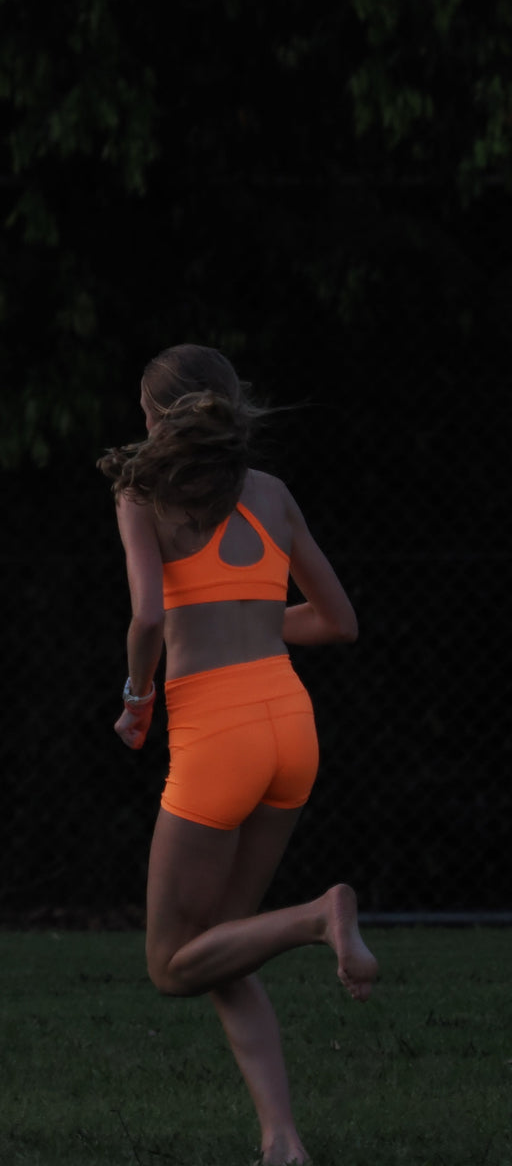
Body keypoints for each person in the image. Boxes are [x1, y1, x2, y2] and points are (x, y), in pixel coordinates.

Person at [97, 344, 376, 1166]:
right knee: (222, 942)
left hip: (217, 738)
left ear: (154, 417)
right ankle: (282, 1140)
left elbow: (147, 619)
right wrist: (245, 625)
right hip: (291, 727)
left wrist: (137, 698)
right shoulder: (274, 496)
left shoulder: (138, 492)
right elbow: (339, 622)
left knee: (169, 964)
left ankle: (319, 916)